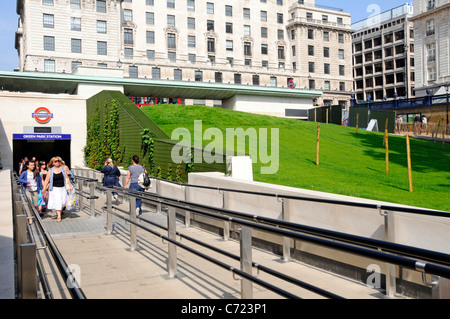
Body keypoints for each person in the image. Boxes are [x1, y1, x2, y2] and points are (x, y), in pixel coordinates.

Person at [42, 156, 73, 223]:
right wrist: (44, 188)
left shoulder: (62, 169)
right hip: (54, 189)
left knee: (63, 201)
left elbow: (67, 178)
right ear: (52, 163)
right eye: (55, 161)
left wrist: (70, 186)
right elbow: (47, 180)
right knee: (58, 201)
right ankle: (59, 215)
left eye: (58, 161)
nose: (57, 162)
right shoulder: (50, 171)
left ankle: (59, 211)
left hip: (63, 188)